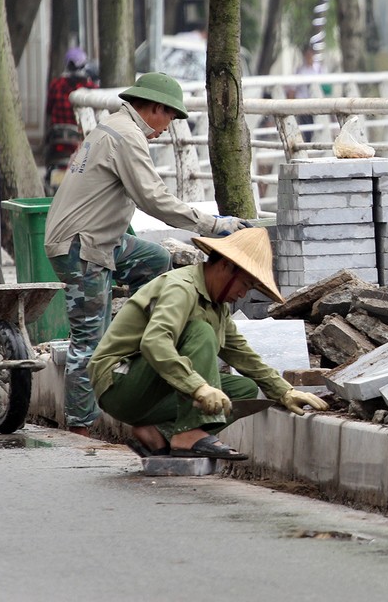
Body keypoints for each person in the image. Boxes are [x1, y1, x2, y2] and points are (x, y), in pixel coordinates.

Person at [44, 73, 251, 437]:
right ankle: (80, 428)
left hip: (104, 239)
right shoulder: (127, 136)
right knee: (88, 340)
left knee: (155, 261)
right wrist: (213, 225)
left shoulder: (114, 125)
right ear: (154, 108)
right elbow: (153, 199)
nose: (168, 127)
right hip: (81, 247)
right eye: (169, 117)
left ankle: (151, 341)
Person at [89, 227, 328, 459]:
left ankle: (157, 433)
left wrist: (284, 391)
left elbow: (240, 353)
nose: (243, 295)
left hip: (148, 392)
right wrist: (199, 388)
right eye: (244, 284)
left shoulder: (217, 306)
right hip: (119, 383)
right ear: (225, 266)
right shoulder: (181, 288)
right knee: (201, 331)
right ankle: (188, 435)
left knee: (243, 390)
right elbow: (154, 342)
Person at [45, 47, 98, 130]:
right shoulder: (91, 88)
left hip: (57, 135)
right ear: (84, 65)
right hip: (82, 137)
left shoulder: (56, 85)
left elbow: (48, 111)